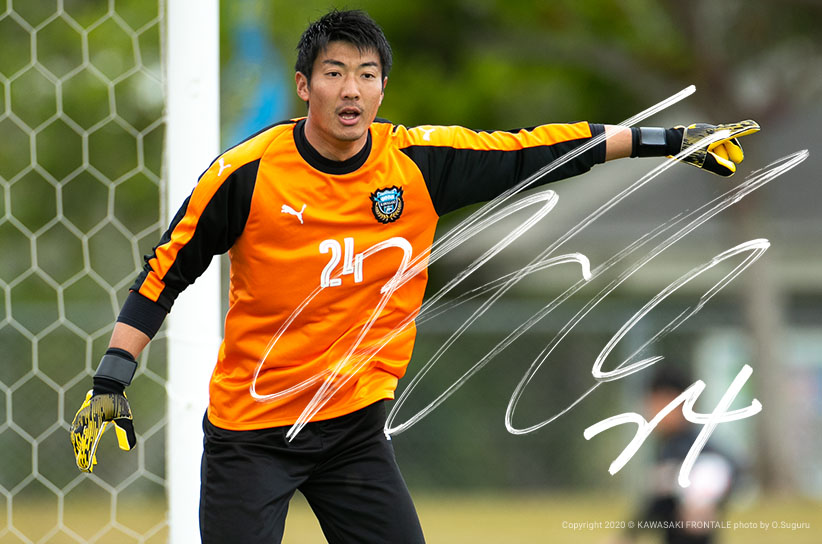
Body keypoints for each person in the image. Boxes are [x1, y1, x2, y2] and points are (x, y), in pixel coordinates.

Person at [69, 9, 758, 544]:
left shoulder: (417, 165)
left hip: (351, 430)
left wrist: (671, 140)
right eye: (335, 72)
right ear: (305, 86)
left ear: (382, 88)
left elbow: (539, 150)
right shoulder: (245, 176)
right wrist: (111, 379)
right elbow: (163, 273)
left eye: (367, 74)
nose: (352, 89)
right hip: (250, 435)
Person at [616, 365, 739, 544]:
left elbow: (728, 469)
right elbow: (658, 503)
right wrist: (629, 534)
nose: (653, 411)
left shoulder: (694, 447)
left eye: (661, 403)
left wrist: (706, 501)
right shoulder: (668, 447)